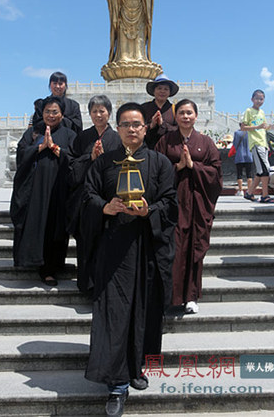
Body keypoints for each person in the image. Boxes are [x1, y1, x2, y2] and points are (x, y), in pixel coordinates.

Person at [81, 102, 178, 417]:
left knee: (145, 312)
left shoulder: (160, 163)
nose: (132, 129)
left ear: (145, 127)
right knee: (115, 314)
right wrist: (105, 209)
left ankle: (137, 367)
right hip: (114, 252)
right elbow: (88, 197)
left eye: (137, 124)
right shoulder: (104, 163)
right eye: (126, 124)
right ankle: (117, 384)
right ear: (118, 128)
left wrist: (149, 210)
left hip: (148, 249)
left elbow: (171, 202)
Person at [155, 99, 222, 314]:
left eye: (189, 113)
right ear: (175, 116)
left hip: (197, 203)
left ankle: (192, 296)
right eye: (181, 113)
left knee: (194, 249)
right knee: (172, 250)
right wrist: (178, 167)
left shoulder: (206, 142)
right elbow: (155, 172)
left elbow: (216, 173)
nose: (185, 116)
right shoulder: (166, 141)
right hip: (173, 203)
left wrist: (193, 166)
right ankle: (170, 296)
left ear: (196, 116)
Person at [10, 96, 76, 286]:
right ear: (42, 112)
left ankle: (51, 268)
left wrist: (55, 148)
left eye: (55, 111)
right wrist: (39, 147)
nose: (51, 115)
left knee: (54, 226)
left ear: (62, 114)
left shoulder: (69, 135)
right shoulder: (33, 132)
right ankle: (31, 260)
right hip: (35, 188)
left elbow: (74, 160)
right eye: (47, 111)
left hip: (58, 187)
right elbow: (21, 155)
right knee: (35, 222)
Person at [68, 94, 121, 293]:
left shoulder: (116, 137)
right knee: (86, 240)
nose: (98, 115)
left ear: (109, 113)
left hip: (110, 197)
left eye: (102, 111)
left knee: (108, 241)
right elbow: (71, 166)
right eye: (94, 111)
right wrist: (89, 158)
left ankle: (106, 284)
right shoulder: (82, 137)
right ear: (89, 113)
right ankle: (86, 284)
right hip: (87, 198)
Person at [241, 89, 274, 203]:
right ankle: (265, 195)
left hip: (263, 143)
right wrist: (258, 127)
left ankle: (250, 193)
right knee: (265, 169)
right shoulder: (249, 111)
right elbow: (243, 127)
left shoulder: (261, 112)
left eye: (261, 99)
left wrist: (269, 127)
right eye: (257, 98)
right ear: (252, 99)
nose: (259, 101)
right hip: (256, 143)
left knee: (260, 171)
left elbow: (263, 127)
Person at [141, 74, 179, 149]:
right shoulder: (144, 108)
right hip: (148, 149)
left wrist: (163, 124)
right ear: (154, 91)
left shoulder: (175, 109)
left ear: (169, 92)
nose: (162, 91)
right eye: (159, 88)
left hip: (168, 149)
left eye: (166, 89)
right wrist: (151, 125)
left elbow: (179, 130)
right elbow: (138, 128)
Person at [233, 123, 253, 196]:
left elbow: (235, 144)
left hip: (239, 156)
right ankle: (249, 190)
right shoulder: (250, 133)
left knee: (239, 174)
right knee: (249, 174)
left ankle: (240, 190)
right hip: (249, 155)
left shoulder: (237, 133)